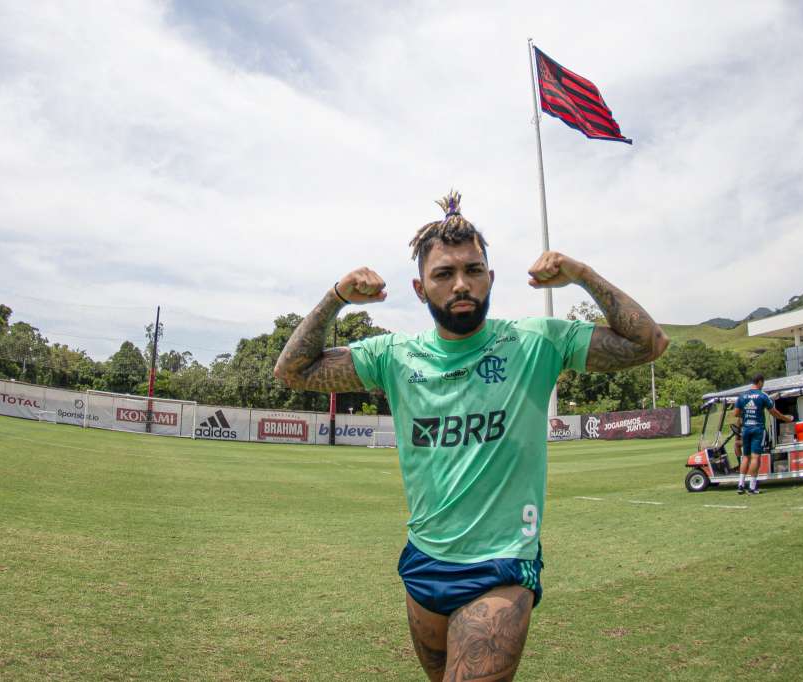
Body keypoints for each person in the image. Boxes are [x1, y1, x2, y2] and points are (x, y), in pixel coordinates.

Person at [273, 191, 669, 681]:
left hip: (500, 567)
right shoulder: (393, 354)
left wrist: (581, 274)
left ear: (490, 277)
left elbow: (647, 343)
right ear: (421, 289)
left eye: (473, 270)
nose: (461, 284)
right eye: (443, 274)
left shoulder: (536, 341)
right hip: (423, 561)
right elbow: (292, 370)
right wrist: (336, 296)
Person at [733, 373, 794, 495]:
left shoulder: (742, 395)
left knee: (745, 457)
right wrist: (786, 418)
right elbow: (774, 412)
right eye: (763, 383)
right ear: (760, 382)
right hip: (758, 429)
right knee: (756, 457)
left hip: (746, 429)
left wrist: (746, 415)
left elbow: (736, 413)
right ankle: (752, 487)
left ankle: (740, 485)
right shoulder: (762, 396)